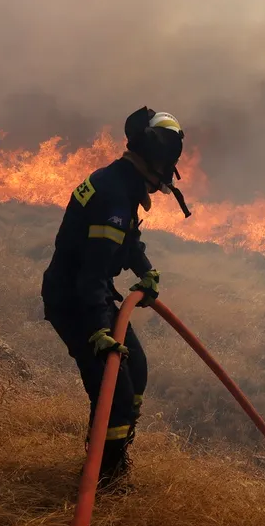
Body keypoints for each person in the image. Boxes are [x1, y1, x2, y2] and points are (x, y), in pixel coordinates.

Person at [40, 106, 192, 491]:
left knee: (135, 369)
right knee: (116, 390)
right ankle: (103, 481)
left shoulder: (121, 185)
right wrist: (97, 330)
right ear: (156, 157)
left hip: (92, 292)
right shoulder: (113, 198)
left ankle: (113, 453)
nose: (168, 176)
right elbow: (91, 272)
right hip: (74, 300)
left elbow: (127, 241)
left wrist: (145, 268)